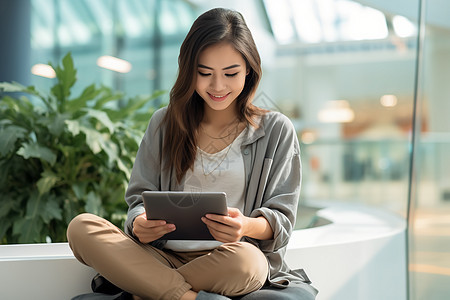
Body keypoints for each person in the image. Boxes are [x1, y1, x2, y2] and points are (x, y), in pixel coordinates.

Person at [67, 7, 317, 300]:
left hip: (229, 259)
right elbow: (138, 199)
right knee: (81, 227)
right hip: (161, 256)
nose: (218, 86)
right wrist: (139, 224)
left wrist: (244, 226)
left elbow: (282, 219)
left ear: (249, 69)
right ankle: (184, 297)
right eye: (205, 73)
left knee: (250, 263)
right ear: (189, 71)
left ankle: (145, 292)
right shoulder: (164, 122)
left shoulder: (276, 130)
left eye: (230, 73)